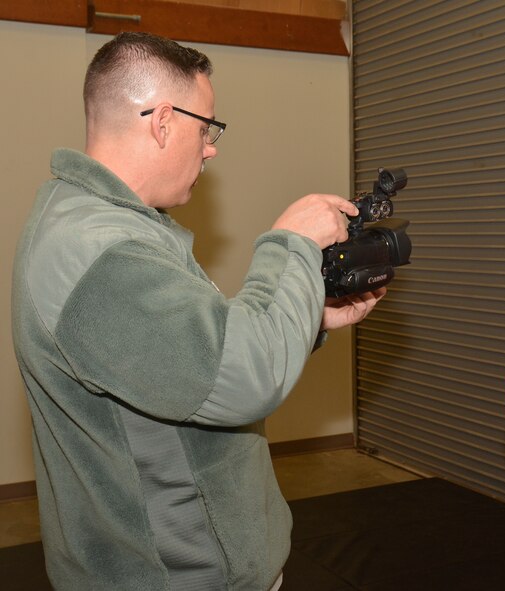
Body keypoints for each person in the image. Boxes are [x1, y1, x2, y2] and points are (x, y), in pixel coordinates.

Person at [11, 32, 384, 591]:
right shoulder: (104, 253)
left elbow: (185, 351)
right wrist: (291, 243)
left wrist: (305, 314)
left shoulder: (100, 224)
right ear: (163, 121)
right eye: (206, 127)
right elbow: (240, 375)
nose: (210, 146)